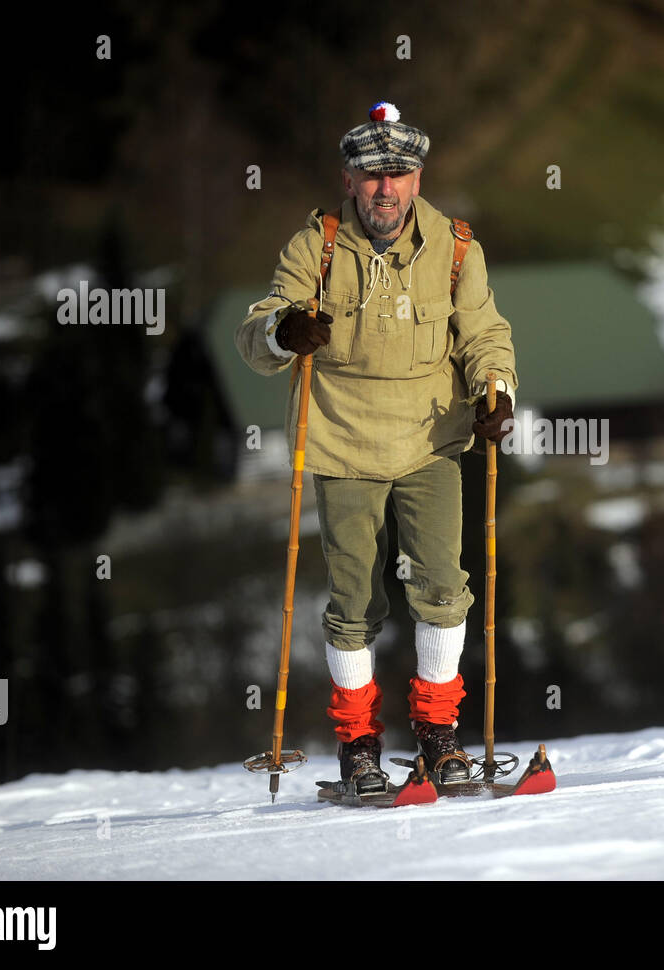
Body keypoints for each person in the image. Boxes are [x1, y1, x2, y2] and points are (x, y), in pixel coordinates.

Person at [234, 101, 517, 793]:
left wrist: (497, 389)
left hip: (431, 442)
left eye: (398, 173)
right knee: (354, 602)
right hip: (343, 445)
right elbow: (258, 330)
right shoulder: (316, 249)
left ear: (418, 179)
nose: (385, 188)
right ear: (349, 180)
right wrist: (284, 332)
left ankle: (439, 738)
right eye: (371, 175)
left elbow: (484, 334)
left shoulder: (456, 249)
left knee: (445, 590)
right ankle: (358, 748)